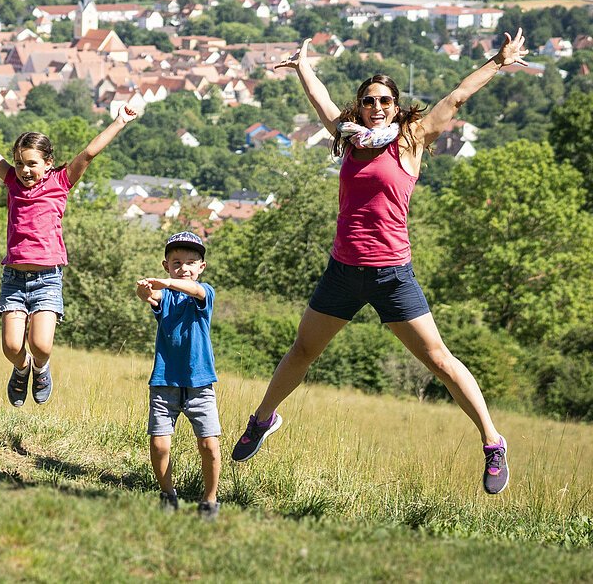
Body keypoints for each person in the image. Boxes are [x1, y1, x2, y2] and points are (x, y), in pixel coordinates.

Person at [230, 30, 530, 496]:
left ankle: (493, 442)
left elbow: (456, 97)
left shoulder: (411, 139)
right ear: (360, 105)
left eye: (385, 100)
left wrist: (499, 60)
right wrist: (303, 66)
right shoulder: (349, 138)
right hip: (343, 272)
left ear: (396, 105)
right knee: (302, 351)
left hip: (392, 275)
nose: (376, 106)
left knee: (439, 359)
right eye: (369, 100)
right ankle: (263, 419)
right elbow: (322, 102)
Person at [0, 103, 141, 407]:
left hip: (47, 279)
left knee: (41, 345)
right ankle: (22, 369)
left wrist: (119, 121)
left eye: (31, 163)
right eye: (19, 163)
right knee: (11, 346)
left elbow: (88, 153)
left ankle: (41, 368)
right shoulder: (11, 181)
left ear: (48, 163)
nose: (24, 170)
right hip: (14, 279)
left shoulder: (61, 182)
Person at [136, 231, 221, 520]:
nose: (183, 268)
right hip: (164, 383)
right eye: (176, 263)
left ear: (201, 267)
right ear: (166, 266)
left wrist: (169, 282)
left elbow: (195, 291)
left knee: (209, 445)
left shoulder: (205, 292)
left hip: (200, 384)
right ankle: (168, 493)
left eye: (190, 262)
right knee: (159, 444)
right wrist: (145, 291)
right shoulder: (165, 297)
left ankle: (210, 499)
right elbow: (151, 296)